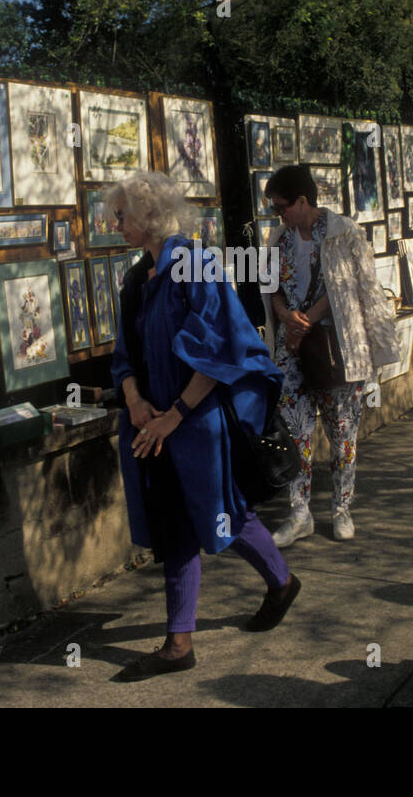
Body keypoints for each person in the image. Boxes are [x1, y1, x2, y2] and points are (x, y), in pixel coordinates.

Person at [107, 171, 300, 681]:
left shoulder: (197, 265)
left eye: (122, 214)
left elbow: (222, 350)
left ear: (149, 214)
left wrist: (175, 415)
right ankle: (179, 643)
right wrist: (135, 401)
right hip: (152, 426)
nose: (115, 222)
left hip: (195, 423)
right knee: (177, 525)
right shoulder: (134, 279)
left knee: (219, 514)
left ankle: (280, 582)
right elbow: (123, 355)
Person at [262, 164, 399, 546]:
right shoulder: (278, 240)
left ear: (303, 201)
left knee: (342, 433)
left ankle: (341, 509)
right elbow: (269, 287)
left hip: (337, 346)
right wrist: (287, 316)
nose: (279, 215)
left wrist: (308, 319)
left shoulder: (343, 232)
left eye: (282, 207)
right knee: (294, 432)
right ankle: (299, 512)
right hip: (293, 347)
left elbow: (354, 286)